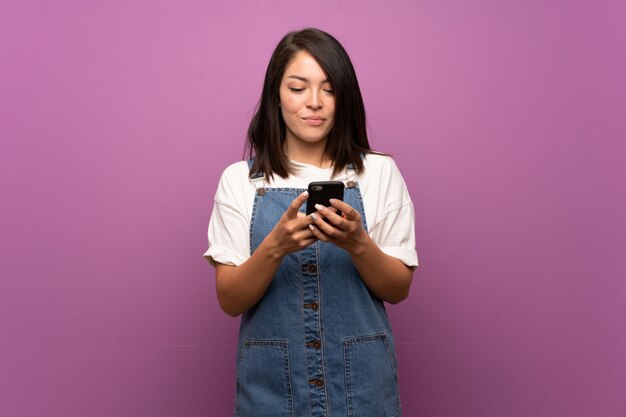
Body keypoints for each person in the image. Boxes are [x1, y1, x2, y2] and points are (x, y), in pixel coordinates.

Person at [204, 28, 418, 417]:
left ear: (345, 98)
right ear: (276, 96)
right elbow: (230, 300)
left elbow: (398, 288)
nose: (315, 103)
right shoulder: (239, 181)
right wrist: (275, 247)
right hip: (269, 387)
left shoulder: (380, 172)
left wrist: (358, 243)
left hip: (363, 386)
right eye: (298, 88)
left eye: (330, 89)